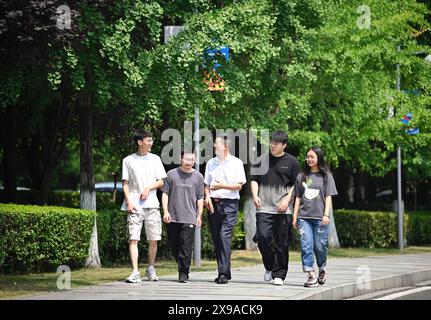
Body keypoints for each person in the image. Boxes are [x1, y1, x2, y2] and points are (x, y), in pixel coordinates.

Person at [251, 130, 300, 286]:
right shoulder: (261, 160)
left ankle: (279, 274)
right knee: (262, 237)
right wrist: (254, 195)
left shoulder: (292, 162)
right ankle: (270, 266)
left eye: (276, 143)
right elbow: (254, 179)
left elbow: (296, 184)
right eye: (271, 142)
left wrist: (287, 200)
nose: (273, 145)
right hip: (263, 207)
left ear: (284, 145)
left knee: (281, 242)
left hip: (283, 208)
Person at [121, 129, 167, 283]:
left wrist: (148, 188)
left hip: (152, 204)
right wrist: (128, 200)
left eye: (151, 140)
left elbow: (161, 181)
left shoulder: (155, 159)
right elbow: (125, 183)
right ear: (140, 142)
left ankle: (151, 268)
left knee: (153, 239)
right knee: (133, 239)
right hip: (134, 205)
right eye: (148, 140)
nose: (151, 143)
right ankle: (135, 272)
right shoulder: (128, 160)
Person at [293, 146, 338, 287]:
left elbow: (329, 197)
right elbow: (298, 197)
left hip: (320, 218)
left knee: (319, 246)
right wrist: (294, 217)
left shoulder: (326, 176)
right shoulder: (301, 176)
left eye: (312, 157)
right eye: (307, 157)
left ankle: (322, 267)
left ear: (318, 157)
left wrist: (326, 214)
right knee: (306, 246)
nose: (309, 159)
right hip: (303, 217)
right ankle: (310, 275)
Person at [204, 136, 247, 284]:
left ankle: (222, 273)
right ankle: (225, 271)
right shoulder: (211, 163)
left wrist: (223, 186)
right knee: (217, 239)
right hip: (213, 204)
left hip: (230, 204)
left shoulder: (236, 163)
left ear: (225, 147)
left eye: (216, 145)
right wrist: (207, 197)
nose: (214, 147)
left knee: (224, 236)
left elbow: (239, 186)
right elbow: (206, 184)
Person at [162, 149, 204, 283]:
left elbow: (200, 197)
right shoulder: (171, 174)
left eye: (192, 160)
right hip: (173, 216)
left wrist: (199, 215)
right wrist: (165, 211)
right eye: (186, 159)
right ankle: (181, 266)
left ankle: (183, 273)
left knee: (186, 246)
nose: (189, 162)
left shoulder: (198, 176)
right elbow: (165, 193)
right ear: (181, 159)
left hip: (190, 216)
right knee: (175, 245)